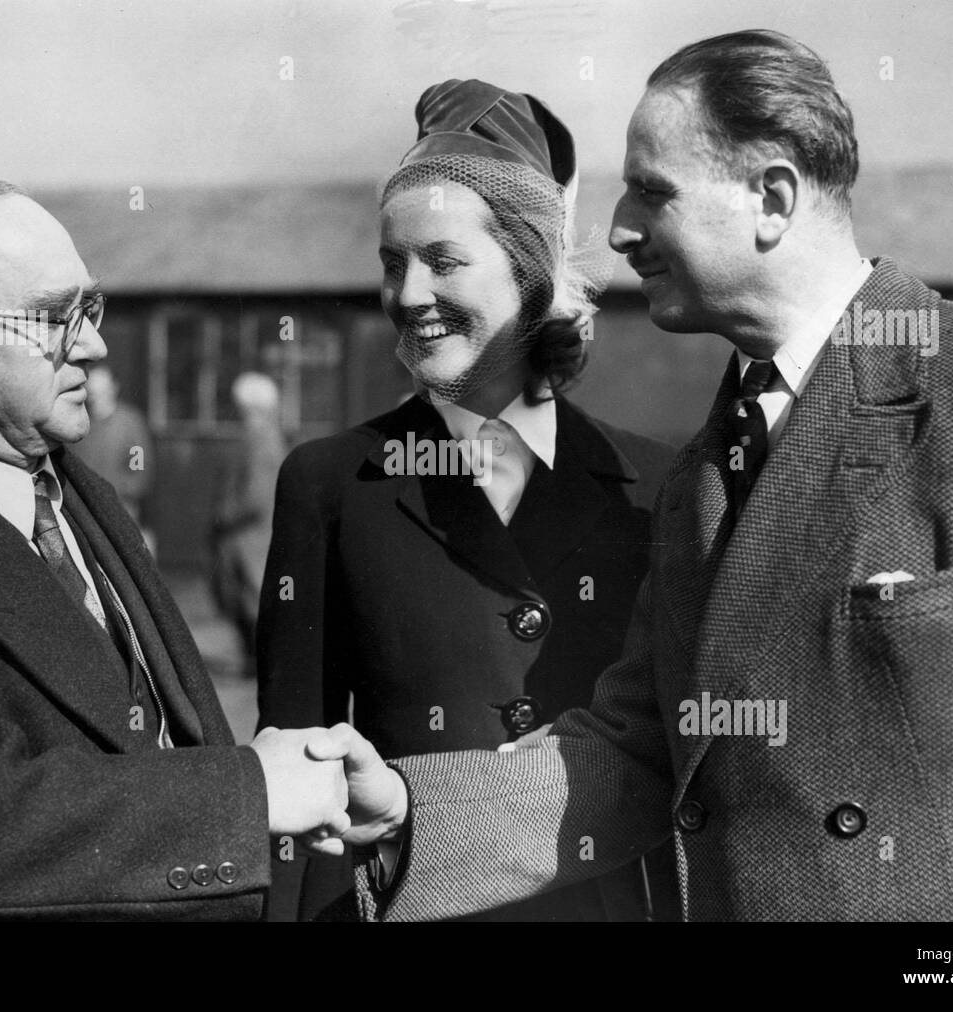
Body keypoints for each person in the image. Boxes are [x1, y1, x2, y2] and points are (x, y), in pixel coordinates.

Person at [321, 31, 953, 922]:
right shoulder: (699, 475)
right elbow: (636, 750)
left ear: (771, 197)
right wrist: (414, 813)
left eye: (652, 191)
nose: (616, 231)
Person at [0, 175, 351, 920]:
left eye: (91, 307)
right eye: (54, 317)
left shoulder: (77, 492)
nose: (94, 343)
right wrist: (249, 791)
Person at [257, 80, 677, 921]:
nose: (409, 295)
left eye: (444, 262)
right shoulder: (331, 482)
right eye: (391, 264)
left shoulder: (660, 486)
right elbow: (298, 777)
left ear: (530, 270)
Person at [210, 372, 286, 670]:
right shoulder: (260, 438)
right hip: (248, 534)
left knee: (253, 599)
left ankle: (261, 663)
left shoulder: (261, 440)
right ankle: (254, 660)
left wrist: (224, 516)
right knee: (243, 599)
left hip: (251, 536)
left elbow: (255, 496)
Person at [68, 362, 155, 550]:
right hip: (85, 510)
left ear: (113, 389)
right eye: (92, 391)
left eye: (102, 391)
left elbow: (138, 466)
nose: (96, 397)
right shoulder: (79, 423)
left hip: (120, 508)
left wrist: (125, 492)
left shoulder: (129, 424)